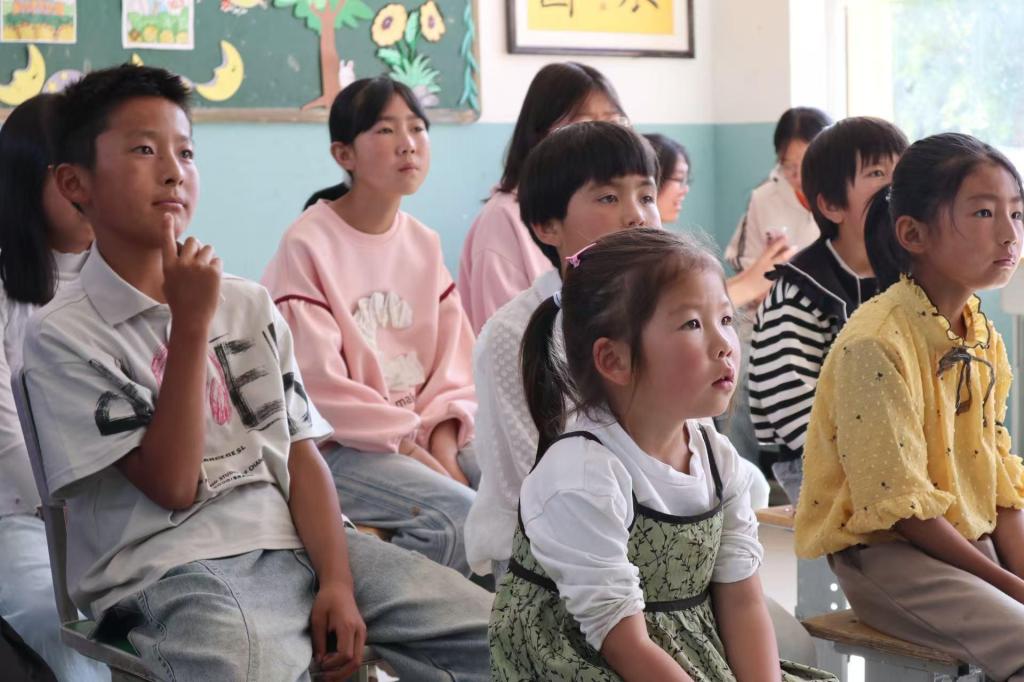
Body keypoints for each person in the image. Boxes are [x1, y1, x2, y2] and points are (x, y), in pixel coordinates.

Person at [27, 64, 492, 681]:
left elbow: (300, 453)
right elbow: (174, 486)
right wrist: (190, 325)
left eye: (186, 152)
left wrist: (336, 580)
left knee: (506, 639)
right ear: (75, 182)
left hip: (304, 545)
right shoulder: (63, 334)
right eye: (144, 150)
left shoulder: (246, 302)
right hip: (179, 569)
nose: (173, 171)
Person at [489, 228, 835, 681]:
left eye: (725, 319)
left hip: (688, 651)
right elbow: (626, 645)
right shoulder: (583, 475)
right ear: (614, 360)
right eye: (692, 324)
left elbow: (742, 600)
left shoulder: (716, 457)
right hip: (595, 661)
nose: (724, 344)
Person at [795, 132, 1024, 681]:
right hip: (890, 556)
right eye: (984, 212)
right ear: (913, 234)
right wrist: (1012, 587)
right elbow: (901, 510)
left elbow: (999, 482)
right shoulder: (875, 342)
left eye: (1017, 212)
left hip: (967, 537)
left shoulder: (981, 336)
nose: (1010, 234)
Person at [262, 77, 480, 576]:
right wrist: (412, 447)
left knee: (517, 491)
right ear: (344, 154)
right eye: (385, 130)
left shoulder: (422, 242)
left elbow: (454, 365)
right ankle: (395, 619)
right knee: (460, 518)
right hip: (338, 449)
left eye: (417, 128)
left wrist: (443, 439)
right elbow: (317, 389)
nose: (408, 144)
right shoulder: (308, 245)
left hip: (422, 432)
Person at [0, 94, 107, 681]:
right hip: (18, 513)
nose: (92, 186)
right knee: (60, 620)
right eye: (73, 171)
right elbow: (6, 437)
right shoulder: (7, 290)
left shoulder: (132, 274)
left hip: (119, 507)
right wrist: (75, 514)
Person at [749, 117, 908, 503]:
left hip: (901, 453)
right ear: (832, 205)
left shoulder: (911, 276)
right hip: (821, 464)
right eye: (876, 173)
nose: (896, 187)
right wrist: (876, 461)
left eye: (901, 171)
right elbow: (793, 411)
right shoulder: (801, 291)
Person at [457, 62, 627, 333]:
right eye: (583, 125)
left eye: (614, 123)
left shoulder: (625, 212)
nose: (603, 140)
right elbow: (506, 335)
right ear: (539, 136)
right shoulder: (504, 219)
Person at [726, 107, 833, 272]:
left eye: (807, 165)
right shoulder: (763, 198)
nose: (799, 177)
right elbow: (746, 265)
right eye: (789, 165)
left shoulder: (846, 197)